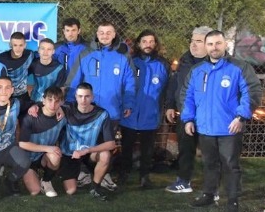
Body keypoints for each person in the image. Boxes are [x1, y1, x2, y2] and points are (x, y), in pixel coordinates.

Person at [181, 30, 262, 212]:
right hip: (205, 128)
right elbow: (187, 95)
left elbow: (252, 91)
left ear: (225, 44)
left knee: (230, 165)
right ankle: (209, 194)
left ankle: (233, 201)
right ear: (205, 46)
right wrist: (188, 119)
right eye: (210, 44)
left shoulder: (239, 67)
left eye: (218, 43)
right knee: (209, 163)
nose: (214, 48)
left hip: (229, 127)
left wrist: (240, 117)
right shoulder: (197, 70)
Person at [116, 30, 170, 188]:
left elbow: (166, 90)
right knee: (126, 146)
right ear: (139, 44)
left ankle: (145, 177)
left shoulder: (163, 65)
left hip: (150, 113)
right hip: (130, 113)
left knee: (148, 148)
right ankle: (123, 174)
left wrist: (163, 108)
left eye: (151, 41)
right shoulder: (130, 62)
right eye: (144, 41)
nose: (148, 45)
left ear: (155, 44)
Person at [164, 26, 213, 193]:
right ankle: (184, 181)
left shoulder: (217, 63)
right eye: (192, 40)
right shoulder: (184, 60)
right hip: (186, 114)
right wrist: (170, 105)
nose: (193, 44)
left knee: (211, 152)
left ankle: (212, 186)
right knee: (185, 149)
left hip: (208, 116)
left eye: (198, 41)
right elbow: (175, 84)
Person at [66, 21, 136, 128]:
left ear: (114, 34)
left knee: (108, 139)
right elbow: (74, 81)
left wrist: (128, 104)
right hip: (88, 110)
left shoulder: (123, 56)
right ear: (97, 34)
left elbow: (130, 83)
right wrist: (70, 104)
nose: (105, 36)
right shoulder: (85, 54)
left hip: (112, 111)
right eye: (102, 33)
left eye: (108, 33)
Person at [60, 82, 117, 201]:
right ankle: (78, 176)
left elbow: (111, 144)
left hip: (89, 153)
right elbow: (47, 105)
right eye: (80, 96)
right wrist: (34, 107)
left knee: (105, 155)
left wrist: (86, 150)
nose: (83, 100)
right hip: (70, 154)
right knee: (70, 191)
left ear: (92, 97)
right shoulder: (67, 109)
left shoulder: (102, 114)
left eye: (87, 96)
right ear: (75, 97)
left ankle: (95, 188)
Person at [18, 86, 65, 197]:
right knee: (35, 191)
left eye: (57, 101)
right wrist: (48, 148)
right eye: (50, 100)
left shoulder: (62, 116)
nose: (53, 105)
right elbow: (22, 144)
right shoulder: (31, 116)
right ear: (43, 100)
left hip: (44, 156)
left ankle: (46, 180)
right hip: (28, 158)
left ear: (61, 102)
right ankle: (30, 172)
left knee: (55, 155)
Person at [0, 32, 36, 107]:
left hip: (23, 96)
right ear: (10, 45)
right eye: (15, 45)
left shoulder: (30, 55)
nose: (18, 49)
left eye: (21, 45)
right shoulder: (0, 58)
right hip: (6, 97)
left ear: (25, 45)